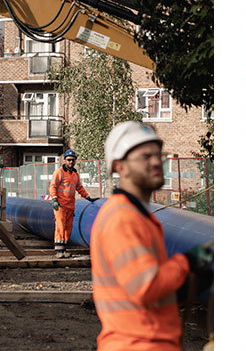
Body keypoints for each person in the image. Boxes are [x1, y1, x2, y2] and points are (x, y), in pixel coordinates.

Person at [89, 121, 211, 350]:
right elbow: (146, 288)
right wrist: (187, 262)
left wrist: (194, 279)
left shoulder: (138, 216)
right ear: (119, 167)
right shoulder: (123, 218)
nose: (156, 162)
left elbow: (152, 293)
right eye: (145, 156)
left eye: (158, 155)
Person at [48, 149, 93, 259]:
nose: (71, 162)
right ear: (64, 160)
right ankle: (59, 251)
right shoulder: (59, 172)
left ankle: (63, 249)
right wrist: (54, 199)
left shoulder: (75, 174)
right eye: (69, 160)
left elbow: (79, 188)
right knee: (60, 227)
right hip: (60, 205)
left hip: (70, 206)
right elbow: (53, 186)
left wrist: (88, 197)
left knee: (68, 228)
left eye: (73, 160)